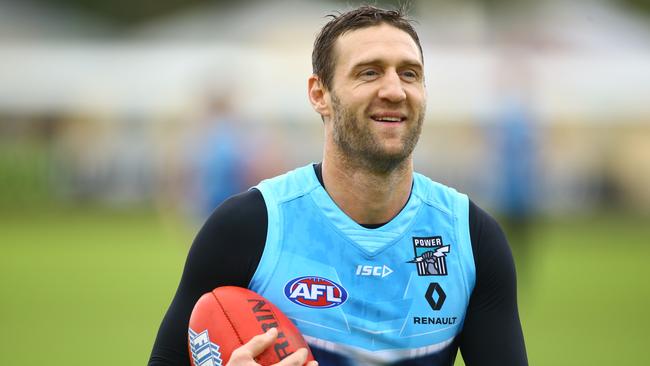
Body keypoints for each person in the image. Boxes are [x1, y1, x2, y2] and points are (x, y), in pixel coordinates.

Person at [149, 5, 527, 366]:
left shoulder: (471, 238)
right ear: (319, 94)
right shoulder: (248, 228)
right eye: (369, 73)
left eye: (409, 73)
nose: (395, 90)